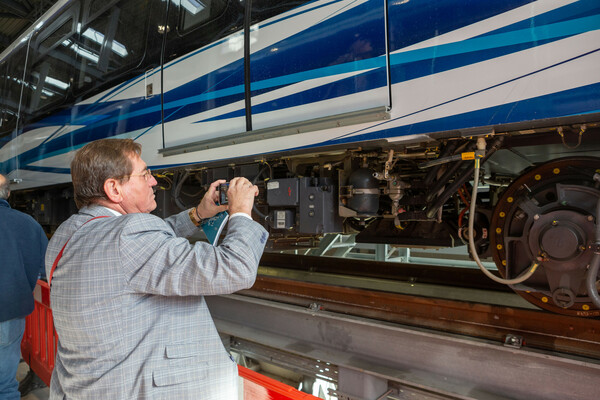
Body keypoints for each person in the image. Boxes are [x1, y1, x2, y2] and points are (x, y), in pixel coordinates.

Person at [45, 138, 268, 399]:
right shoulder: (128, 237)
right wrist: (241, 211)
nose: (154, 181)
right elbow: (236, 268)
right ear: (114, 189)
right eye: (145, 174)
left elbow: (143, 249)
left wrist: (198, 213)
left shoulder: (68, 234)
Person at [0, 173, 48, 400]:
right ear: (8, 193)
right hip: (10, 314)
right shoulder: (28, 224)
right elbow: (44, 268)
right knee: (5, 384)